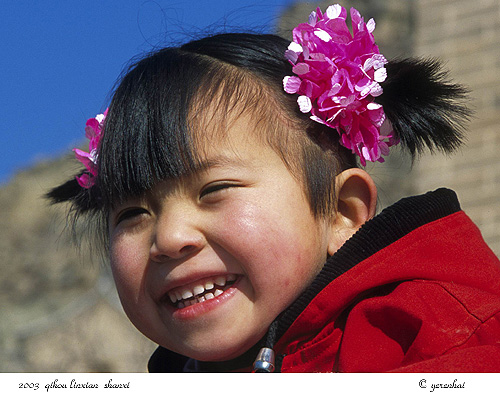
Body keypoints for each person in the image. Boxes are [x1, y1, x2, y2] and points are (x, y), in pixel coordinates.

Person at [48, 4, 500, 372]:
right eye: (131, 214)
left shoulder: (443, 339)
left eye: (213, 190)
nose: (168, 238)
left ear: (342, 212)